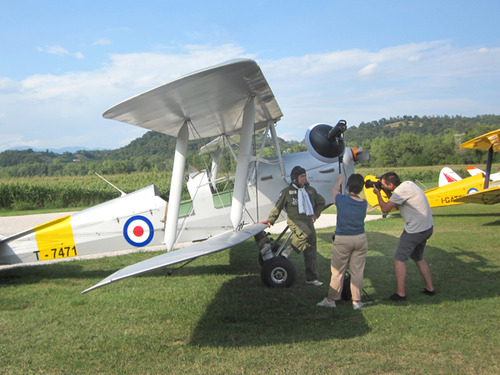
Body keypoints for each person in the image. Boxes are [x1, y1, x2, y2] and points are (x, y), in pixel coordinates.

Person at [373, 171, 435, 301]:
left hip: (415, 230)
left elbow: (385, 209)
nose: (382, 186)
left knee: (399, 259)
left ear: (391, 185)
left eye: (383, 184)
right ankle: (430, 288)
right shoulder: (408, 185)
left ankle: (400, 294)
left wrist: (378, 194)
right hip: (427, 227)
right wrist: (385, 190)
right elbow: (395, 199)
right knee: (418, 257)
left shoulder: (400, 192)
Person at [262, 166, 326, 286]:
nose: (304, 178)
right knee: (305, 233)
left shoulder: (310, 190)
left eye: (305, 176)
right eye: (302, 176)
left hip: (308, 220)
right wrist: (270, 220)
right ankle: (288, 250)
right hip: (295, 220)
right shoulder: (287, 192)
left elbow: (321, 202)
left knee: (311, 250)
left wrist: (316, 214)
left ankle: (312, 278)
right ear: (295, 179)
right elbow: (278, 206)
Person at [317, 174, 368, 310]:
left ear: (348, 186)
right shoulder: (364, 203)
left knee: (338, 271)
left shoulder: (341, 199)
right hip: (360, 238)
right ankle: (356, 301)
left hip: (343, 238)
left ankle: (331, 299)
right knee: (357, 271)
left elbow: (334, 191)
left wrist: (338, 181)